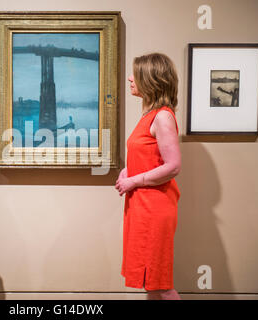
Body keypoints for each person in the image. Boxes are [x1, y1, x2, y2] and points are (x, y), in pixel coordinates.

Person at [115, 53, 182, 300]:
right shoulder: (149, 115)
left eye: (136, 74)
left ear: (151, 79)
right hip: (142, 206)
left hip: (154, 208)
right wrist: (128, 170)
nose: (131, 79)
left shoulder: (162, 116)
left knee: (160, 282)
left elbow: (173, 166)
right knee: (152, 281)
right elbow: (149, 157)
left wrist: (133, 180)